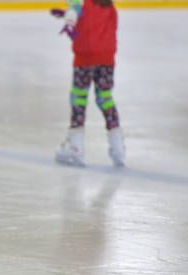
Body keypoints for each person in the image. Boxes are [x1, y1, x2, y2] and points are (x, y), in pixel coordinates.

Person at [51, 0, 125, 167]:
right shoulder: (108, 4)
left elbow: (75, 9)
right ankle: (118, 145)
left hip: (85, 58)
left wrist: (70, 17)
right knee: (105, 97)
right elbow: (111, 26)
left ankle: (75, 146)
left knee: (78, 98)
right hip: (106, 59)